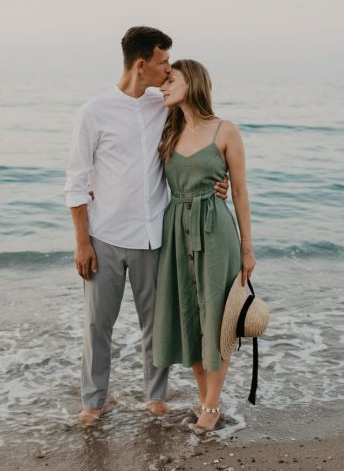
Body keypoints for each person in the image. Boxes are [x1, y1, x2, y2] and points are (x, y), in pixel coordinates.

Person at [64, 27, 228, 426]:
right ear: (141, 65)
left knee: (156, 325)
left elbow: (199, 137)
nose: (168, 70)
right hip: (104, 236)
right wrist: (82, 242)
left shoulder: (164, 105)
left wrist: (215, 182)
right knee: (96, 326)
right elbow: (75, 179)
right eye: (163, 63)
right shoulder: (94, 111)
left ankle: (155, 398)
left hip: (155, 235)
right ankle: (93, 401)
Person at [152, 59, 256, 433]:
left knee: (217, 320)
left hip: (215, 229)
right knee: (189, 319)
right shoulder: (166, 129)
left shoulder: (225, 130)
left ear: (192, 82)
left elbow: (240, 192)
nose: (162, 87)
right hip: (175, 229)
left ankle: (211, 406)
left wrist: (248, 248)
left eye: (170, 80)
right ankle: (205, 400)